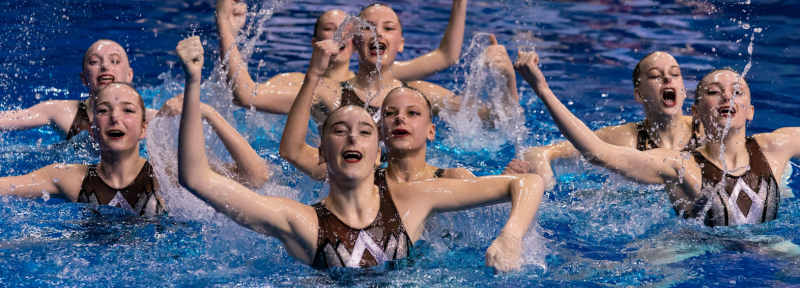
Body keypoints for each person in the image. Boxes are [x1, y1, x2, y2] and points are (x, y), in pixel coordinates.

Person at [176, 36, 545, 270]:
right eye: (339, 130)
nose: (353, 138)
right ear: (321, 149)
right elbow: (196, 177)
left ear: (378, 148)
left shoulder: (418, 197)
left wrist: (511, 236)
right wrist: (194, 86)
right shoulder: (301, 222)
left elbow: (527, 182)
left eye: (365, 131)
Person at [514, 51, 800, 226]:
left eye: (737, 92)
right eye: (714, 92)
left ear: (751, 111)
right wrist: (543, 90)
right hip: (694, 251)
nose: (727, 95)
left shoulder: (776, 147)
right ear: (697, 111)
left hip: (769, 245)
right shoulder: (681, 165)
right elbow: (598, 152)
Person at [215, 0, 485, 120]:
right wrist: (225, 26)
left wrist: (508, 79)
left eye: (389, 28)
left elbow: (489, 117)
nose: (378, 32)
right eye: (367, 27)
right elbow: (246, 94)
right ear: (356, 41)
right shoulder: (324, 92)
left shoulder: (413, 90)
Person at [504, 51, 700, 189]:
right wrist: (544, 183)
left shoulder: (707, 132)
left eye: (675, 74)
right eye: (656, 76)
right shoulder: (626, 138)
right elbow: (539, 152)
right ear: (639, 95)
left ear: (683, 90)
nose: (668, 79)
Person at [0, 83, 163, 216]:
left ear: (144, 129)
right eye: (103, 111)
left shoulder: (163, 178)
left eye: (128, 110)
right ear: (92, 130)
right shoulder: (70, 179)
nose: (115, 117)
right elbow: (7, 187)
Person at [0, 39, 159, 140]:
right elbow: (9, 120)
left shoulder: (149, 120)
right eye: (95, 61)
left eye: (115, 61)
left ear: (129, 75)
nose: (105, 66)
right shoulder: (61, 113)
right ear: (84, 78)